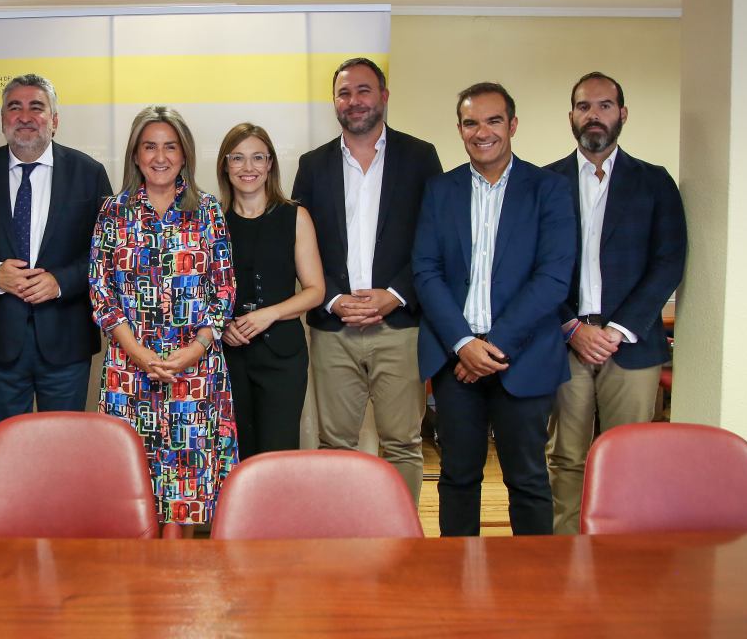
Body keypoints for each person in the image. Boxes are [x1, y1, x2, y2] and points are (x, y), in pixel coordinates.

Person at [413, 81, 576, 536]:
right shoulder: (439, 190)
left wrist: (494, 346)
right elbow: (425, 270)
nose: (481, 131)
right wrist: (465, 344)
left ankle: (532, 591)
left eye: (493, 120)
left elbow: (553, 278)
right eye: (471, 123)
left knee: (526, 479)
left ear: (513, 125)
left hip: (523, 357)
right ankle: (457, 589)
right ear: (460, 129)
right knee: (457, 478)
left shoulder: (549, 189)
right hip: (455, 361)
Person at [291, 57, 442, 503]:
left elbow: (433, 240)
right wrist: (333, 298)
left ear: (383, 96)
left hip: (401, 326)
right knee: (335, 445)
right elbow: (303, 241)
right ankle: (340, 538)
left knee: (403, 444)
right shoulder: (313, 164)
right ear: (334, 102)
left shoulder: (420, 157)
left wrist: (395, 294)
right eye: (344, 93)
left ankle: (400, 541)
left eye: (363, 90)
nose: (353, 101)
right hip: (333, 327)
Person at [545, 71, 687, 534]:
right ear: (571, 116)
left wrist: (616, 330)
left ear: (622, 114)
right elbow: (533, 265)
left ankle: (623, 554)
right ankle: (564, 552)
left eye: (605, 106)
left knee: (628, 455)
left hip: (632, 343)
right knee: (566, 457)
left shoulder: (654, 182)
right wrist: (572, 327)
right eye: (584, 106)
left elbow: (668, 260)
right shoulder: (544, 183)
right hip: (565, 341)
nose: (594, 115)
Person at [89, 106, 237, 535]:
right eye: (149, 146)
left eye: (170, 146)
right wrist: (140, 354)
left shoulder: (207, 211)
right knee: (133, 493)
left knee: (185, 497)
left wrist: (191, 352)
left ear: (184, 154)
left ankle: (178, 590)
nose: (160, 156)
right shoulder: (113, 213)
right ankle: (139, 592)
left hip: (194, 371)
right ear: (135, 155)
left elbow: (224, 291)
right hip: (129, 373)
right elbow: (101, 291)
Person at [0, 74, 111, 431]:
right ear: (3, 120)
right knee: (6, 449)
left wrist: (61, 281)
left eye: (36, 107)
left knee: (63, 447)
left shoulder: (88, 173)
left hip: (65, 339)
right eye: (15, 107)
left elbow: (108, 253)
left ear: (54, 121)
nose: (25, 116)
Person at [216, 123, 324, 458]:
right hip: (227, 357)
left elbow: (315, 290)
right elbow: (198, 291)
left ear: (270, 164)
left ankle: (276, 514)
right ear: (225, 165)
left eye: (257, 158)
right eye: (238, 158)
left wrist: (269, 314)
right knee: (235, 453)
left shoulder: (295, 216)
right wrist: (222, 324)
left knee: (278, 454)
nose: (248, 168)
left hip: (283, 359)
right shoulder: (211, 219)